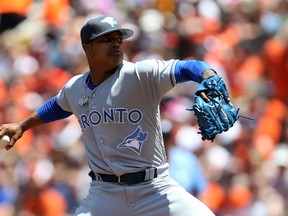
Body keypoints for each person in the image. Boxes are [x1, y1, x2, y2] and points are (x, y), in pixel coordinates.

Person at [0, 15, 217, 216]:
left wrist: (207, 76)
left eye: (118, 39)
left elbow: (188, 67)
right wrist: (22, 125)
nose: (116, 43)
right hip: (104, 193)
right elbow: (57, 106)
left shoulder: (139, 75)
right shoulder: (75, 87)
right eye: (106, 39)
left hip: (154, 188)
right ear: (87, 47)